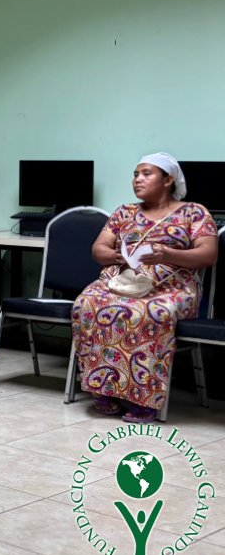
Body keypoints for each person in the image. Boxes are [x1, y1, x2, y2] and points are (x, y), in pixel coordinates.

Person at [72, 153, 218, 423]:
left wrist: (167, 255)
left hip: (172, 286)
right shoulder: (124, 212)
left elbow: (208, 255)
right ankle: (103, 388)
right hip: (122, 278)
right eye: (135, 174)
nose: (137, 179)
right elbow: (98, 248)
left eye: (146, 173)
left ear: (168, 179)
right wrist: (116, 257)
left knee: (148, 312)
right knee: (86, 304)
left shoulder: (194, 212)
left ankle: (144, 400)